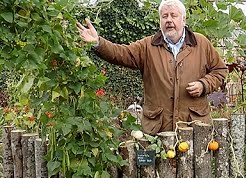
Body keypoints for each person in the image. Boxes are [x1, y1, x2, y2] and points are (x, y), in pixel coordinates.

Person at [77, 0, 228, 135]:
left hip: (193, 127)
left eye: (173, 15)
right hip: (158, 128)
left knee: (195, 166)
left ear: (183, 19)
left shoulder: (201, 43)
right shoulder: (147, 46)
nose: (168, 20)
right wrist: (98, 42)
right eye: (164, 16)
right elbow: (121, 53)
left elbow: (220, 71)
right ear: (160, 21)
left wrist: (204, 84)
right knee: (159, 165)